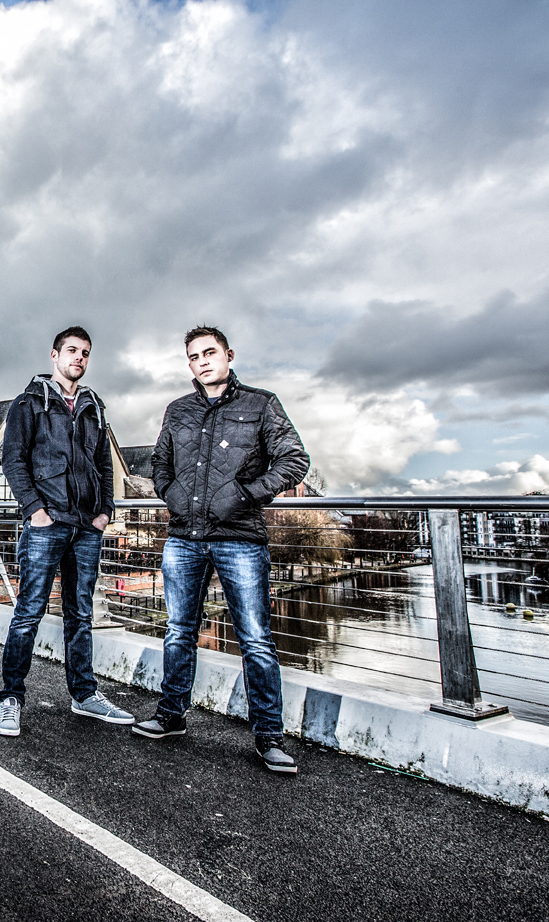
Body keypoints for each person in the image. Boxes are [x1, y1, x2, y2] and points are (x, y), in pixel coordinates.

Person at [134, 326, 309, 773]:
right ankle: (171, 715)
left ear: (229, 355)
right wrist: (171, 494)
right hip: (184, 538)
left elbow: (294, 460)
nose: (202, 362)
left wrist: (245, 494)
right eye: (194, 357)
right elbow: (159, 463)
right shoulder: (178, 410)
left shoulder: (261, 404)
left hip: (239, 538)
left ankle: (269, 736)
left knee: (256, 639)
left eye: (209, 353)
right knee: (179, 631)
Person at [0, 326, 134, 736]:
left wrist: (104, 511)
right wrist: (35, 511)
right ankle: (11, 699)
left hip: (86, 527)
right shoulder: (28, 403)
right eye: (72, 350)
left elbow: (104, 465)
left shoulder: (94, 407)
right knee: (28, 613)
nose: (79, 358)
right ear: (54, 355)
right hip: (47, 524)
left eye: (85, 353)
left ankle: (84, 695)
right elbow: (13, 461)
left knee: (81, 614)